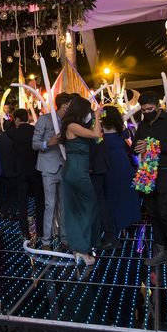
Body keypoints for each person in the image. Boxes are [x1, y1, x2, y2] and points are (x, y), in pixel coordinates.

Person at [133, 91, 167, 270]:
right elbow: (136, 145)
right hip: (147, 171)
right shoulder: (143, 124)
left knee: (164, 211)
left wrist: (154, 145)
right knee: (153, 212)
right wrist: (139, 147)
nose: (147, 112)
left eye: (150, 109)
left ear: (158, 106)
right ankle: (161, 251)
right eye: (144, 109)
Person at [60, 96, 102, 266]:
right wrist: (97, 116)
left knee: (77, 209)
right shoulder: (73, 126)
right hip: (77, 172)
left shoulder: (72, 125)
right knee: (87, 207)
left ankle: (79, 249)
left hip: (74, 170)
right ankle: (82, 250)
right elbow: (96, 134)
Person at [33, 92, 73, 249]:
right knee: (50, 204)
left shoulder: (69, 123)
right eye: (70, 105)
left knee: (64, 205)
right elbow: (34, 144)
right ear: (64, 106)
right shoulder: (44, 119)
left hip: (64, 167)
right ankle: (46, 241)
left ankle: (65, 239)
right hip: (48, 168)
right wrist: (48, 143)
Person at [100, 106, 141, 244]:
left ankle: (115, 227)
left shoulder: (100, 131)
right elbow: (128, 137)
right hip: (123, 167)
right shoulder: (122, 130)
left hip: (108, 167)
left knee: (111, 196)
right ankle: (126, 225)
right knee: (125, 195)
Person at [8, 108, 43, 239]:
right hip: (35, 170)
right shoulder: (35, 131)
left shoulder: (13, 133)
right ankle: (40, 231)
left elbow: (8, 130)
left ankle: (25, 231)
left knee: (23, 204)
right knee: (39, 203)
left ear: (16, 119)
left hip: (21, 172)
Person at [0, 129, 18, 219]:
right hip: (13, 170)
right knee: (14, 194)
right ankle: (13, 212)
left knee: (3, 193)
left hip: (2, 170)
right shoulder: (15, 139)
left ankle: (4, 212)